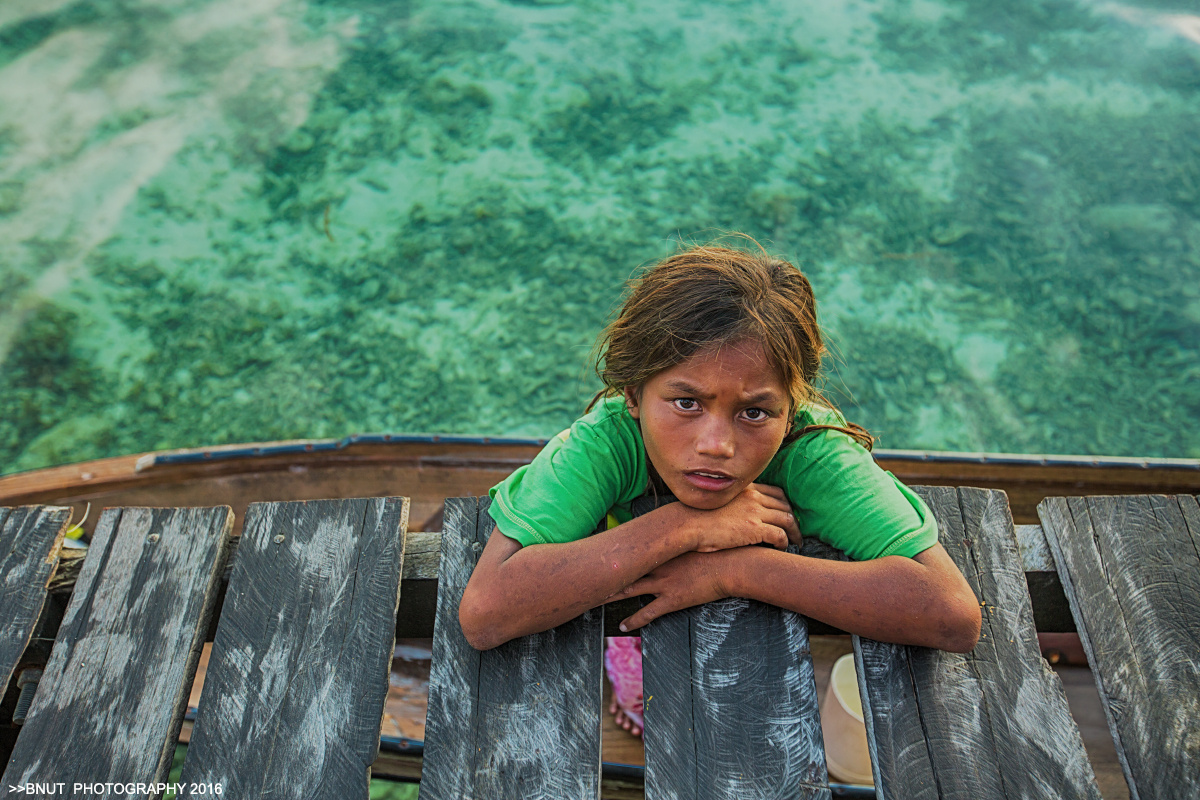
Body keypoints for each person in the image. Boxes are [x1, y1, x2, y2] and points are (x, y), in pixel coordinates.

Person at [458, 238, 982, 737]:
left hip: (757, 662)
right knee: (634, 665)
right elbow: (485, 613)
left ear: (791, 409)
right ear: (633, 394)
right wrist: (683, 524)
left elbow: (952, 614)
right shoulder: (606, 444)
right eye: (686, 403)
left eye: (754, 412)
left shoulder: (812, 452)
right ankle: (630, 686)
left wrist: (734, 570)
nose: (717, 446)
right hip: (624, 603)